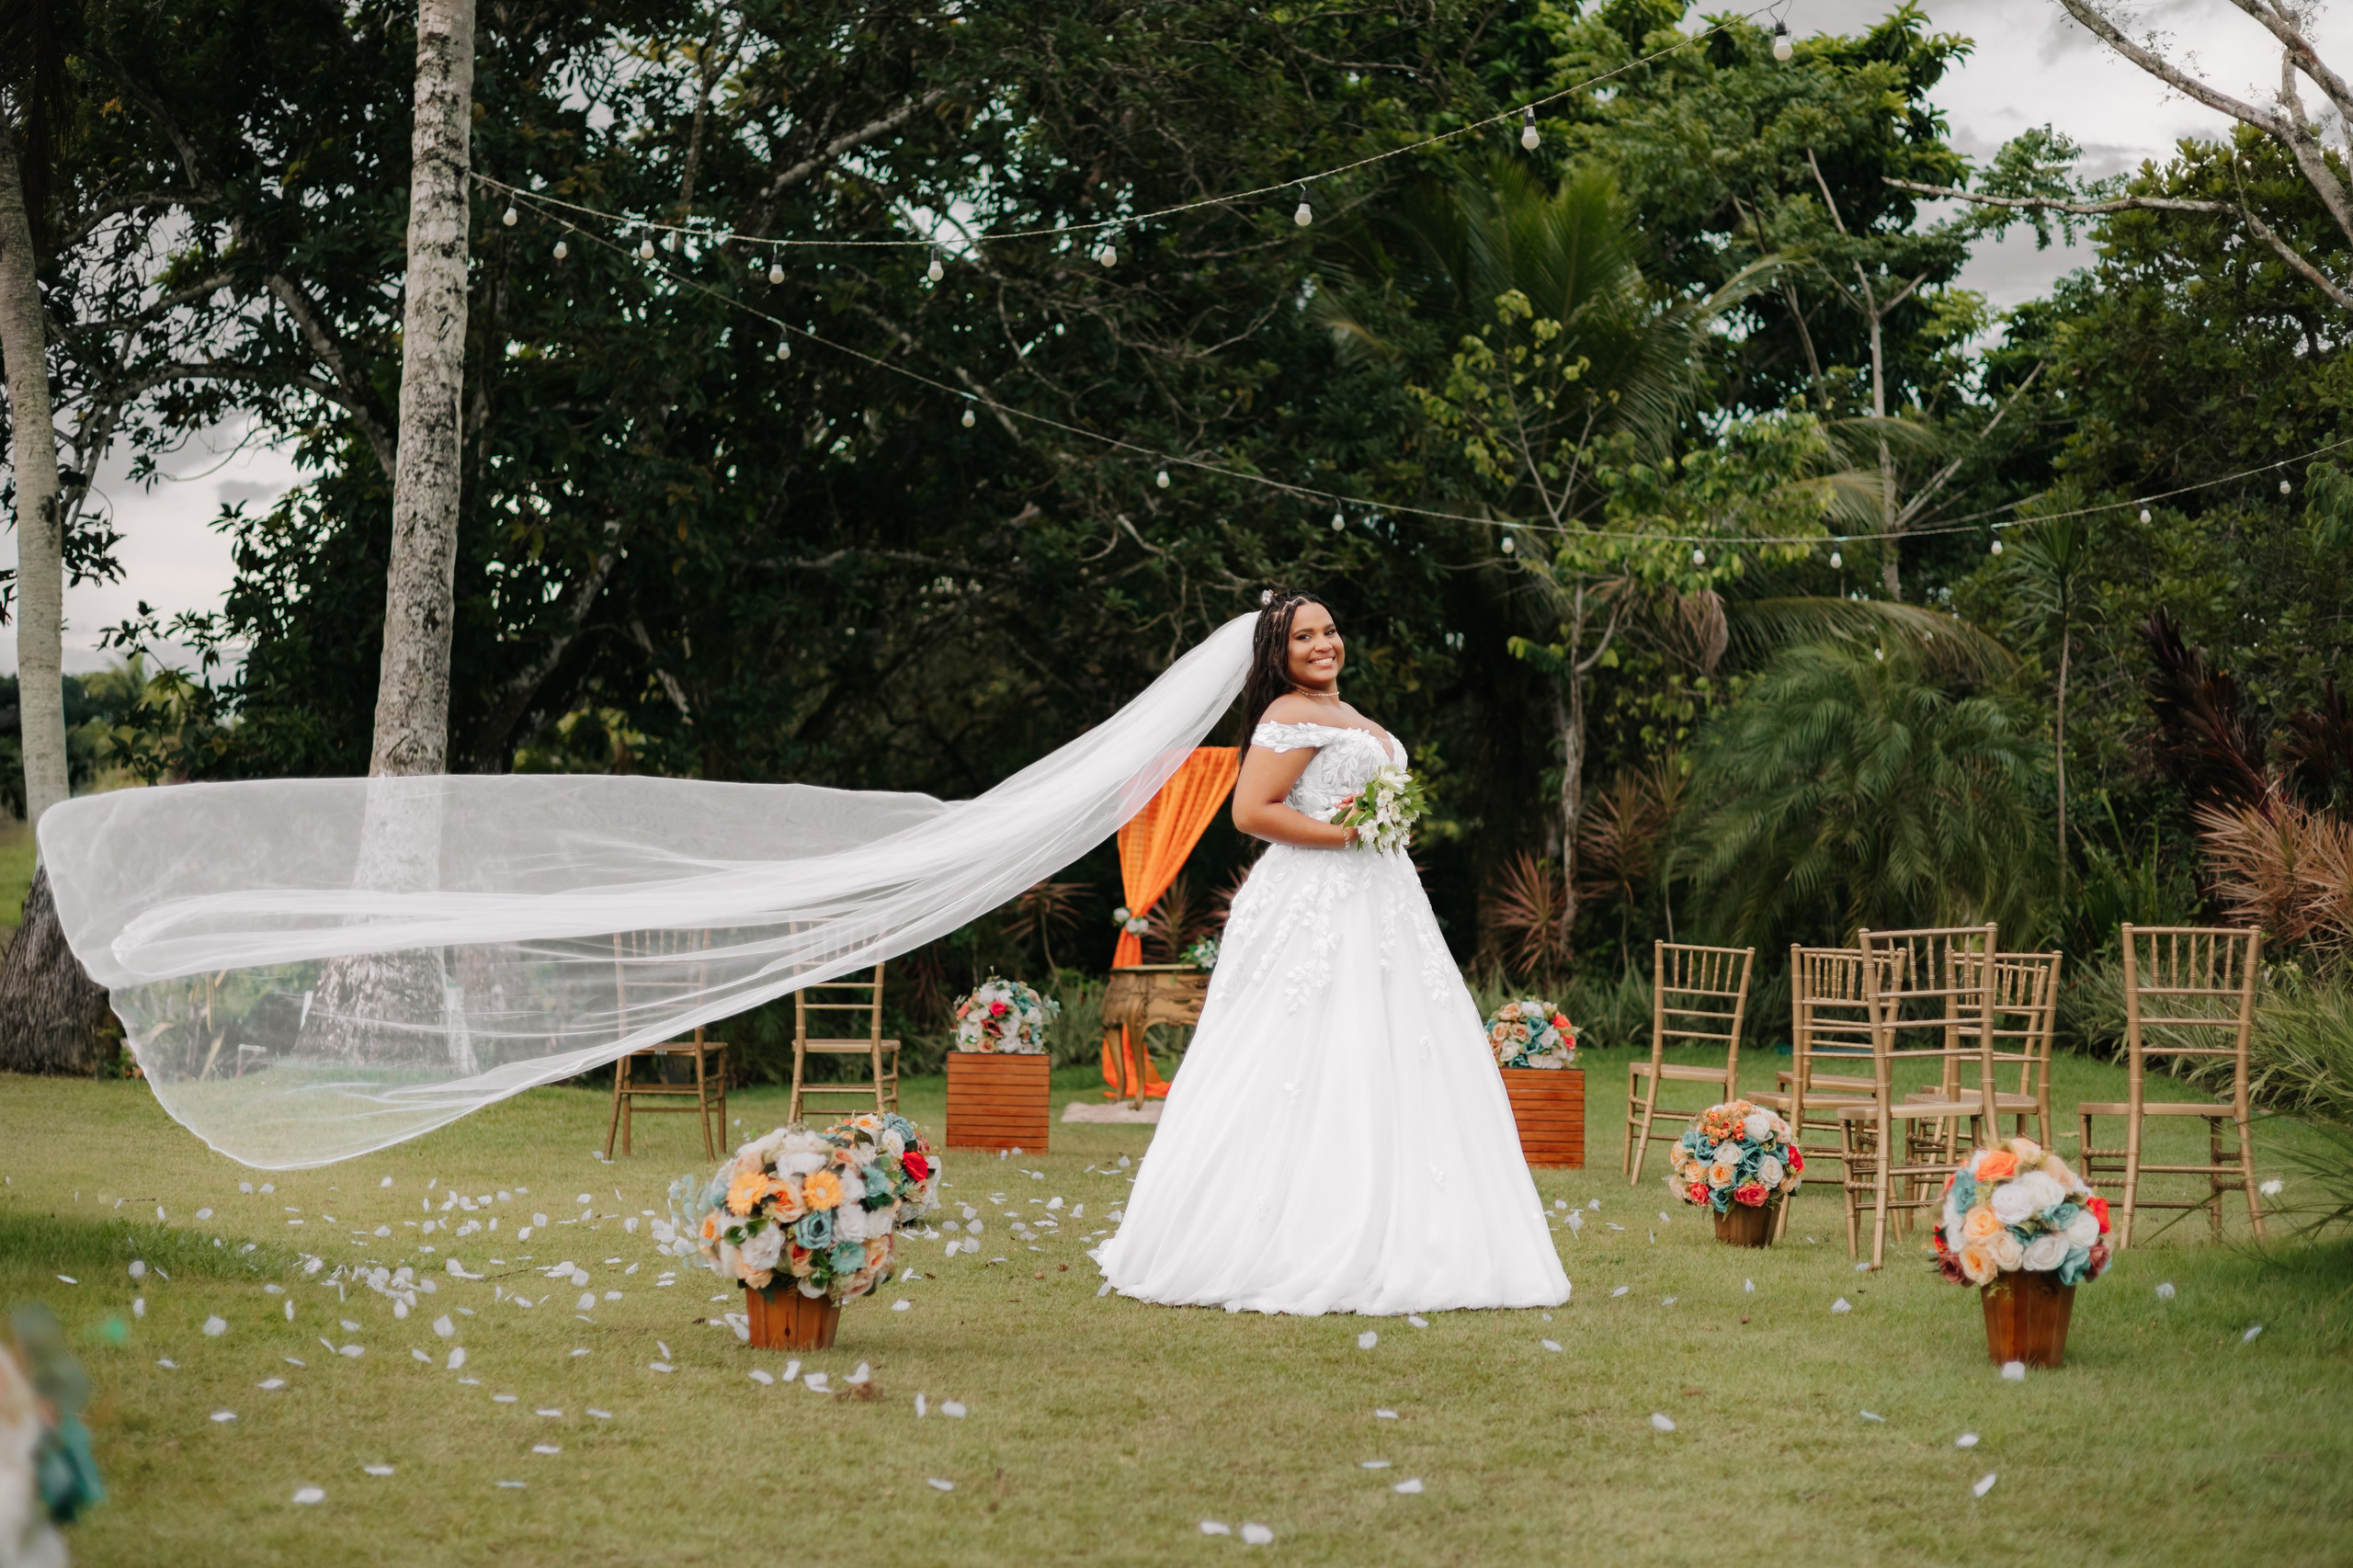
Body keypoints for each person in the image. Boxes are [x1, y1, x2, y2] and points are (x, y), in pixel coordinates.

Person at [1095, 592, 1571, 1315]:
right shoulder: (1286, 714)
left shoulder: (1351, 716)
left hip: (1384, 899)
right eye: (1303, 637)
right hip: (1318, 901)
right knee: (1306, 1048)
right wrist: (1351, 836)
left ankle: (1419, 1229)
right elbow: (1253, 812)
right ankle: (1282, 1233)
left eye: (1329, 630)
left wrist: (1377, 833)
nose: (1323, 644)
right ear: (1278, 655)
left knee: (1402, 1047)